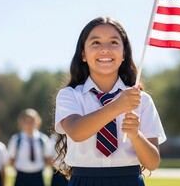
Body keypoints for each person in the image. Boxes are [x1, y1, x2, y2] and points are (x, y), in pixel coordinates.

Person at [54, 17, 167, 186]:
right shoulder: (69, 95)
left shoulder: (141, 100)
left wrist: (136, 136)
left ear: (124, 54)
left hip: (129, 181)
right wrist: (117, 106)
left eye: (114, 42)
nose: (105, 49)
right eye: (95, 43)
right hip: (83, 181)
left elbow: (152, 163)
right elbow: (76, 132)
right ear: (83, 54)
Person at [7, 108, 52, 186]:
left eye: (32, 121)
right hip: (21, 176)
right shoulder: (16, 139)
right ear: (22, 123)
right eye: (27, 121)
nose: (30, 124)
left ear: (38, 122)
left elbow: (47, 159)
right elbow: (11, 160)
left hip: (38, 176)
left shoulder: (43, 139)